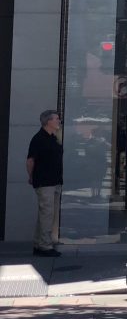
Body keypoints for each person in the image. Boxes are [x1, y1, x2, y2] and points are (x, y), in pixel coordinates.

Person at [27, 109, 63, 257]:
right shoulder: (39, 139)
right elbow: (30, 161)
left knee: (47, 215)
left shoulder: (53, 138)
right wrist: (32, 177)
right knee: (47, 214)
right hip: (44, 182)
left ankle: (38, 243)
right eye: (56, 119)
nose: (59, 121)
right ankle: (45, 246)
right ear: (48, 121)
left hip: (54, 181)